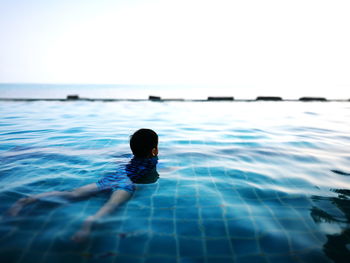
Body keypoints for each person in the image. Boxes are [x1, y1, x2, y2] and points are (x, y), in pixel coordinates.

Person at [7, 128, 159, 242]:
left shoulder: (129, 158)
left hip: (113, 177)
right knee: (111, 205)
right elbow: (153, 174)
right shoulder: (153, 161)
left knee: (73, 193)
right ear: (154, 150)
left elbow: (123, 162)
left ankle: (28, 199)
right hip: (127, 183)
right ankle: (90, 221)